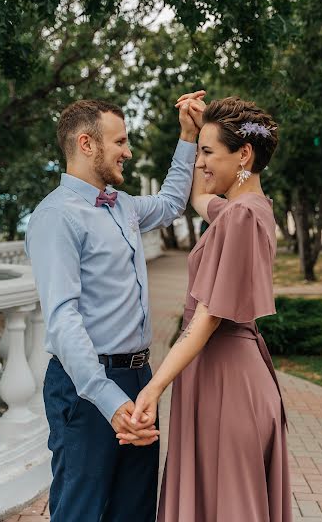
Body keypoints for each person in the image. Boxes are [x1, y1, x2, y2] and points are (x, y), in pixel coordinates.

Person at [25, 95, 204, 522]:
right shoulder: (56, 218)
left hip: (139, 378)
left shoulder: (121, 205)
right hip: (86, 387)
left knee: (134, 508)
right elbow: (64, 318)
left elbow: (170, 203)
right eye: (120, 141)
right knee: (81, 511)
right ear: (87, 144)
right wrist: (109, 399)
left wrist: (188, 137)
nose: (128, 151)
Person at [120, 93, 293, 522]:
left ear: (244, 155)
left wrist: (154, 387)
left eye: (209, 153)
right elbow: (199, 199)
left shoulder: (238, 218)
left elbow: (204, 321)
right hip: (224, 375)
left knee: (227, 503)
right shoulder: (250, 209)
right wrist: (190, 133)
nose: (201, 164)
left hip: (227, 382)